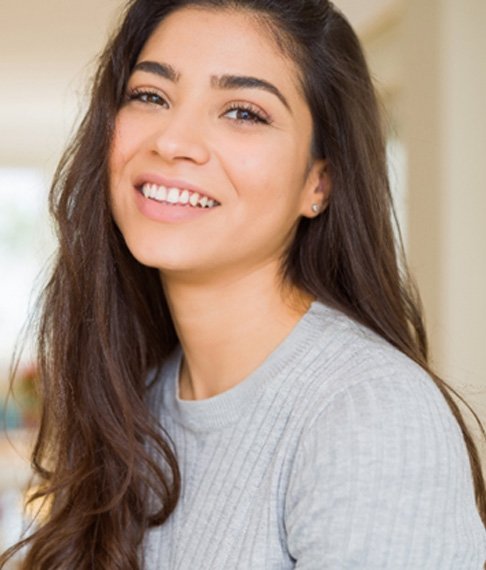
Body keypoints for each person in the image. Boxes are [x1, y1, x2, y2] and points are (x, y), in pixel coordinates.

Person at [2, 0, 486, 568]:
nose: (173, 141)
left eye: (244, 112)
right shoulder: (136, 398)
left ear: (319, 182)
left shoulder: (368, 415)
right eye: (150, 96)